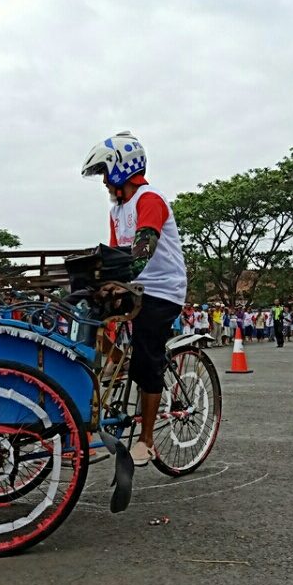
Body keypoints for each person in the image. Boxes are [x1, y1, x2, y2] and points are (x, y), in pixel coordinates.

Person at [81, 130, 187, 466]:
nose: (103, 183)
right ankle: (114, 361)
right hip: (134, 287)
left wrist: (118, 279)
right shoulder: (117, 210)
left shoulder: (149, 199)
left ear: (120, 170)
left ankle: (147, 439)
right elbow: (116, 253)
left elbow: (142, 251)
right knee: (83, 315)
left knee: (146, 354)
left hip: (162, 289)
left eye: (104, 174)